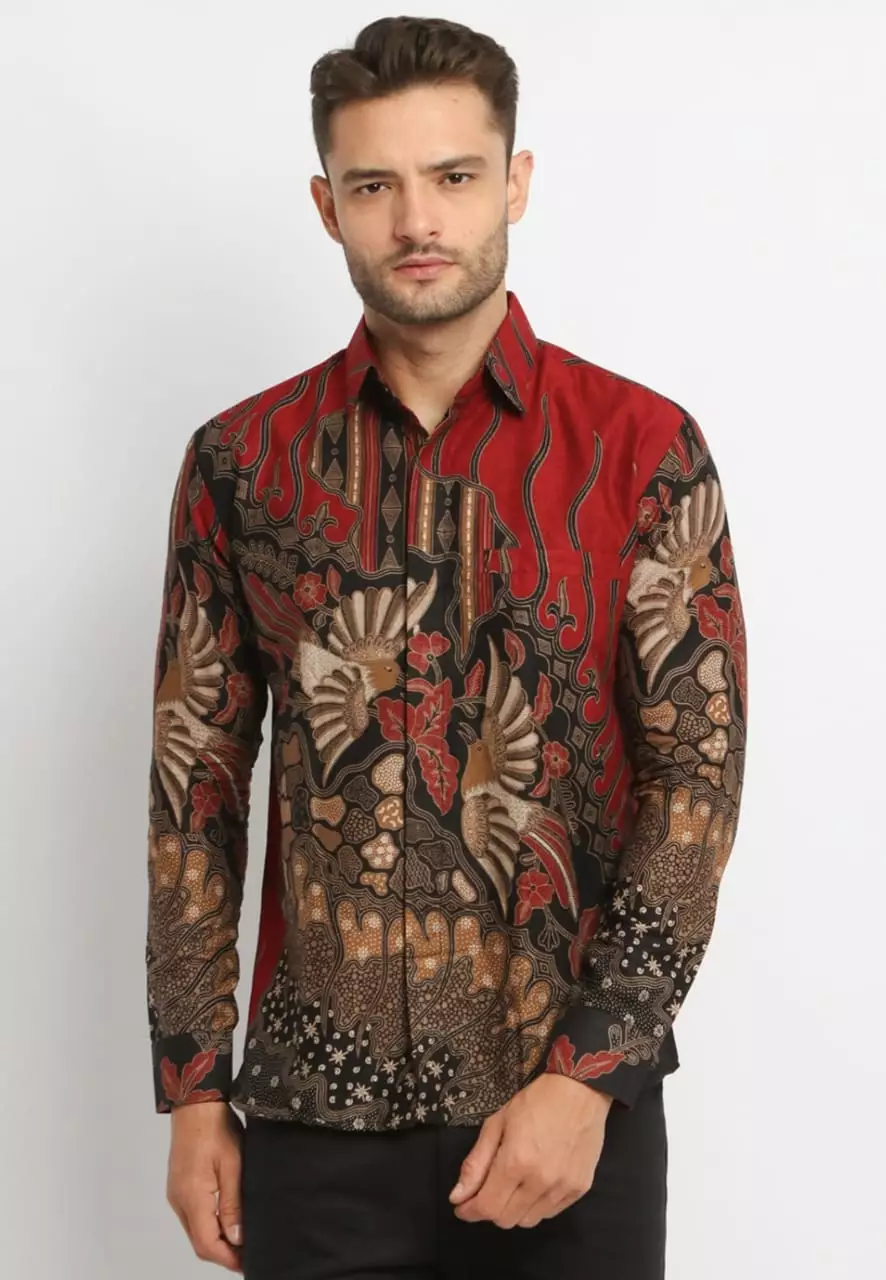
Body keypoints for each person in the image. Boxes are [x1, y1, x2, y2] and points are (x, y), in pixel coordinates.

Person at [146, 14, 747, 1279]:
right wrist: (194, 1088)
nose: (417, 219)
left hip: (565, 1122)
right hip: (314, 1122)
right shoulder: (240, 463)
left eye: (454, 176)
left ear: (513, 182)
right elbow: (192, 788)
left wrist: (589, 1073)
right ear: (328, 206)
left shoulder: (641, 449)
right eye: (375, 185)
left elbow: (694, 787)